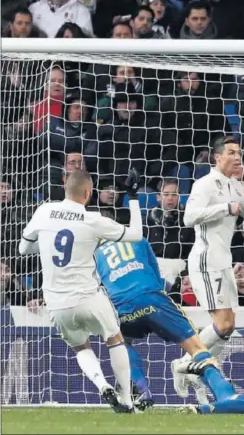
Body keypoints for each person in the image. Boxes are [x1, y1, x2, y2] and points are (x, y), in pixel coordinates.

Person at [17, 169, 144, 412]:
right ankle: (127, 400)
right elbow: (136, 235)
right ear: (88, 193)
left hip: (56, 303)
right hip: (88, 296)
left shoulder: (44, 211)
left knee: (80, 347)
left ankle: (102, 385)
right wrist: (133, 197)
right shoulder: (93, 219)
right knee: (115, 339)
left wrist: (44, 245)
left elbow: (24, 249)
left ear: (65, 187)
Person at [95, 235, 233, 411]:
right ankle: (225, 395)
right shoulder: (138, 239)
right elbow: (156, 277)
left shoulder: (94, 254)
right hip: (151, 298)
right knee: (197, 348)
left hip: (120, 306)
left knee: (121, 343)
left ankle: (140, 390)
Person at [171, 137, 244, 398]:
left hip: (224, 262)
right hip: (206, 259)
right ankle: (186, 363)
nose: (237, 158)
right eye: (231, 153)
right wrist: (224, 207)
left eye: (239, 153)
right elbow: (189, 218)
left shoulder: (237, 185)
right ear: (217, 157)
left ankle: (195, 368)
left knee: (228, 325)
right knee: (222, 325)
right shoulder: (205, 184)